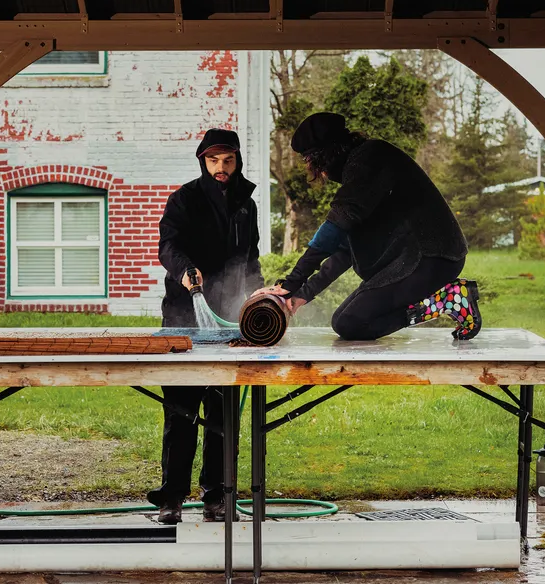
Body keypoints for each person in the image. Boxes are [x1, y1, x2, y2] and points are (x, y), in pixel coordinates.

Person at [258, 112, 480, 341]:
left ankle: (449, 299)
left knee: (352, 323)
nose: (317, 172)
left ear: (325, 155)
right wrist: (299, 295)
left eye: (311, 162)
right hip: (415, 257)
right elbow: (344, 251)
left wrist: (291, 281)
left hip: (432, 257)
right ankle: (447, 299)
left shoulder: (370, 159)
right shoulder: (362, 171)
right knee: (343, 321)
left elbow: (332, 230)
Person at [148, 128, 261, 524]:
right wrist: (184, 271)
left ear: (236, 161)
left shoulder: (247, 204)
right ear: (203, 161)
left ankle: (217, 496)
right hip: (184, 318)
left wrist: (257, 300)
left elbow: (251, 260)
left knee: (222, 414)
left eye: (228, 161)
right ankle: (172, 499)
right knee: (181, 412)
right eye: (213, 161)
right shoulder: (184, 200)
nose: (221, 169)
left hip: (229, 322)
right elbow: (168, 246)